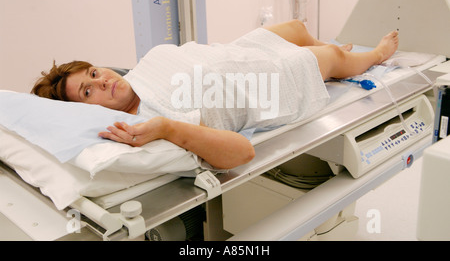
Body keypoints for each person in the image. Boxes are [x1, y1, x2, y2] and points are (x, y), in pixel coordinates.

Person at [31, 20, 399, 169]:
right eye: (89, 90)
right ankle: (370, 56)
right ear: (85, 112)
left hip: (235, 53)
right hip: (269, 78)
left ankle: (329, 46)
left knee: (295, 28)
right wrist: (167, 129)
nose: (104, 81)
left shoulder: (138, 72)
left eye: (94, 73)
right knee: (330, 57)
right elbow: (243, 152)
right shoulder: (152, 116)